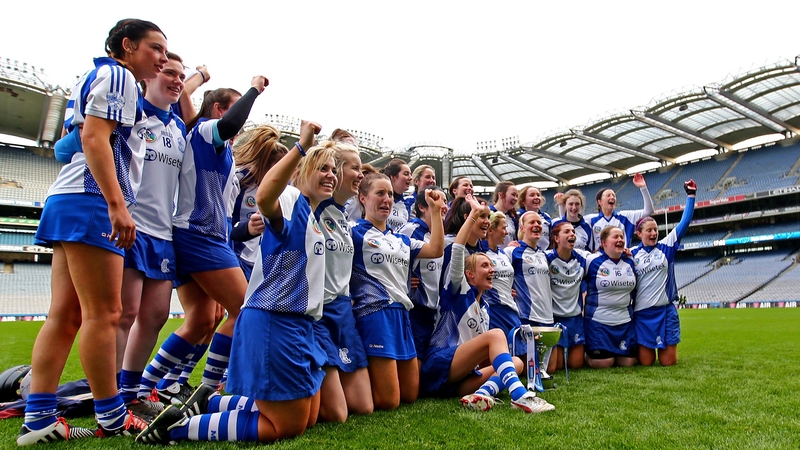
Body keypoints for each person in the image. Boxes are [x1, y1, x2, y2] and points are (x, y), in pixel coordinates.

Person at [19, 19, 168, 445]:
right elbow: (95, 140)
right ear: (127, 46)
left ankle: (40, 419)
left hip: (68, 197)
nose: (160, 57)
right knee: (102, 315)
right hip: (91, 200)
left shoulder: (98, 75)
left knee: (64, 317)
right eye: (154, 48)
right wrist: (117, 205)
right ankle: (112, 416)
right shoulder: (118, 75)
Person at [138, 120, 333, 444]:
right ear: (301, 170)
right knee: (285, 427)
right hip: (277, 319)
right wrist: (301, 145)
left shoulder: (312, 214)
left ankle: (208, 402)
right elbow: (266, 193)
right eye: (322, 167)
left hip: (300, 324)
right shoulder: (288, 198)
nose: (332, 174)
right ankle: (174, 429)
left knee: (308, 416)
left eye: (334, 169)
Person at [138, 76, 268, 406]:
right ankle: (207, 392)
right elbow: (230, 122)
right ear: (219, 109)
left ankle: (149, 387)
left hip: (203, 236)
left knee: (203, 320)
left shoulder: (219, 149)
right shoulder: (206, 131)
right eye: (236, 107)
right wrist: (254, 88)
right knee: (244, 310)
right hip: (200, 236)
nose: (242, 121)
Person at [422, 195, 554, 414]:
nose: (491, 270)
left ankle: (482, 394)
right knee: (496, 335)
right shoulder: (456, 289)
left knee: (516, 363)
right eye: (485, 266)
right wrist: (475, 214)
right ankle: (521, 396)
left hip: (459, 379)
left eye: (492, 266)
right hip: (439, 367)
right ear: (469, 274)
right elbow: (457, 248)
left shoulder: (484, 310)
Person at [116, 51, 188, 420]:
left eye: (181, 75)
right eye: (169, 72)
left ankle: (132, 389)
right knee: (125, 313)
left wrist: (196, 79)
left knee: (157, 314)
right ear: (150, 76)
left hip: (163, 232)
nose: (177, 80)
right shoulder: (131, 114)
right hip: (130, 225)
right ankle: (112, 396)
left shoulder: (178, 128)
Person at [350, 174, 445, 410]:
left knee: (411, 394)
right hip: (374, 313)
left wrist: (435, 210)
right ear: (362, 198)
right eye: (379, 193)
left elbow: (436, 249)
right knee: (389, 401)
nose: (386, 199)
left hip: (403, 316)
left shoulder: (401, 239)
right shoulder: (353, 232)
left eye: (390, 194)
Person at [314, 141, 373, 422]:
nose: (361, 175)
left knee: (364, 407)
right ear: (336, 172)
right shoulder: (312, 209)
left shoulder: (341, 216)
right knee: (337, 415)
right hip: (318, 315)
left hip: (343, 313)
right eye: (355, 168)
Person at [631, 180, 696, 366]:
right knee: (646, 362)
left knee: (668, 362)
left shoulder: (667, 247)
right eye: (649, 230)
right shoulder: (631, 255)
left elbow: (685, 223)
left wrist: (691, 196)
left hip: (666, 312)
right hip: (643, 315)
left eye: (655, 230)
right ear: (639, 233)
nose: (653, 233)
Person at [229, 125, 288, 280]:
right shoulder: (239, 179)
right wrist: (248, 228)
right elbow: (221, 223)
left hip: (258, 263)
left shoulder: (284, 191)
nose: (283, 175)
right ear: (265, 163)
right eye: (279, 168)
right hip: (234, 257)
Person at [397, 188, 448, 360]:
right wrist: (402, 277)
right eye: (436, 200)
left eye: (445, 201)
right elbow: (393, 256)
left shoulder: (440, 235)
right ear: (422, 207)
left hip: (433, 310)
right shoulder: (410, 230)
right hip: (415, 307)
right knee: (415, 358)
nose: (443, 205)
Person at [583, 226, 637, 369]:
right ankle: (584, 353)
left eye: (622, 237)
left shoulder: (630, 261)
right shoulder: (591, 260)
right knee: (603, 363)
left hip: (624, 321)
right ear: (604, 242)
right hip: (599, 322)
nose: (620, 240)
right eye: (616, 237)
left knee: (627, 363)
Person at [545, 222, 589, 371]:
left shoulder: (583, 259)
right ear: (556, 238)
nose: (572, 234)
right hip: (554, 318)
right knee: (556, 366)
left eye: (573, 232)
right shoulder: (546, 258)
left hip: (575, 318)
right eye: (567, 232)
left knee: (576, 364)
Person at [506, 211, 554, 328]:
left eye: (539, 222)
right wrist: (506, 290)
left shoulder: (544, 255)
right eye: (532, 222)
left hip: (547, 317)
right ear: (522, 228)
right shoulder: (512, 251)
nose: (537, 225)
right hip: (526, 317)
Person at [584, 173, 654, 249]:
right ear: (600, 202)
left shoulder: (625, 217)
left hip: (622, 259)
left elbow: (648, 211)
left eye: (613, 195)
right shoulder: (590, 220)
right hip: (600, 260)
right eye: (608, 195)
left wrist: (643, 187)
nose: (612, 197)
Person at [481, 211, 519, 339]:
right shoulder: (480, 252)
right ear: (491, 230)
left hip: (512, 309)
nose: (507, 232)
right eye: (503, 228)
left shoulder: (503, 254)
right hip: (494, 311)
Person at [382, 158, 415, 231]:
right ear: (393, 177)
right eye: (406, 174)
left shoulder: (407, 204)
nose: (410, 178)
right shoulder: (379, 199)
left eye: (410, 174)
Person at [517, 186, 552, 251]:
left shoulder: (546, 217)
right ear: (523, 201)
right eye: (532, 195)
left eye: (538, 195)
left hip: (543, 255)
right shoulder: (517, 217)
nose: (536, 197)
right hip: (525, 255)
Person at [489, 181, 519, 249]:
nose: (515, 198)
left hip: (508, 258)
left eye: (517, 196)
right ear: (500, 195)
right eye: (513, 195)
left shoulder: (513, 218)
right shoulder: (488, 214)